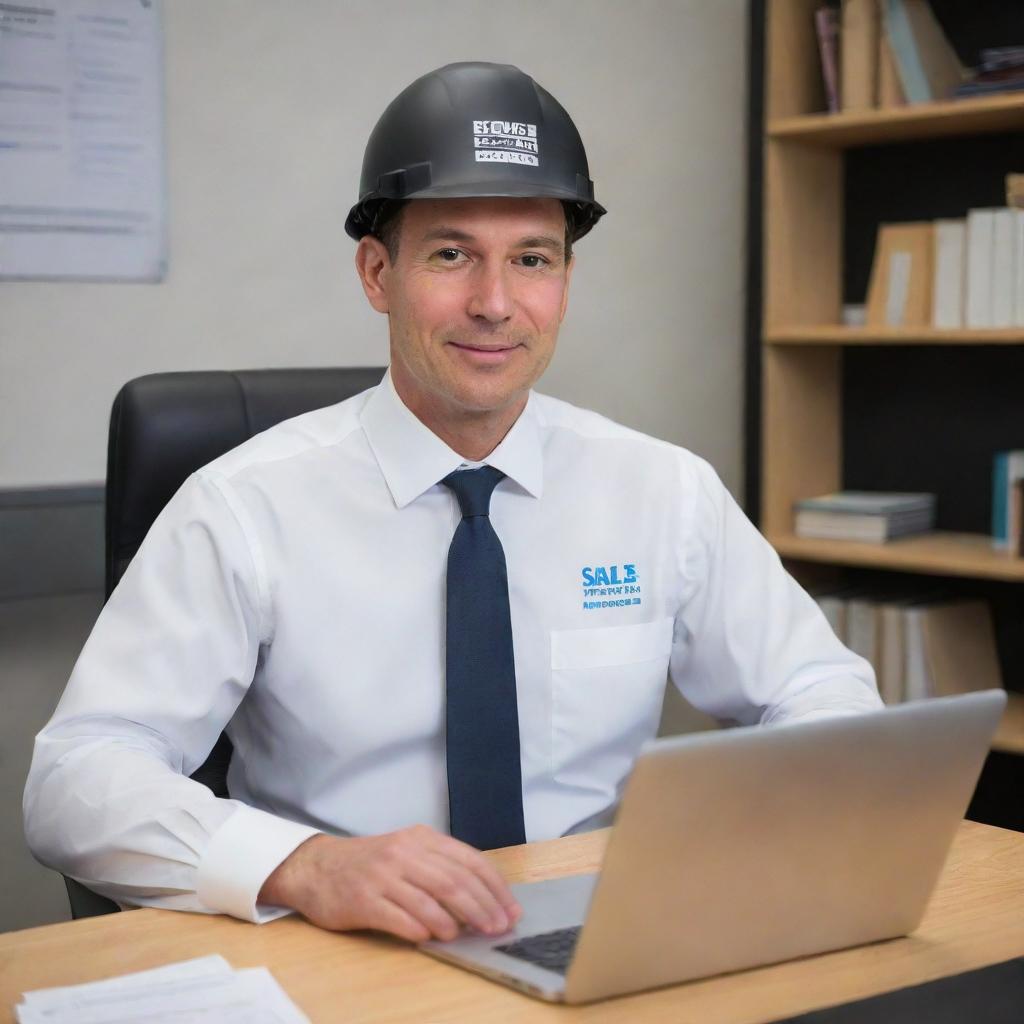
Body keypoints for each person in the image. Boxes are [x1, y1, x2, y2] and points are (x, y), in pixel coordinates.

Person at [24, 62, 881, 945]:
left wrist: (764, 820)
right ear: (376, 273)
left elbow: (819, 689)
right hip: (341, 941)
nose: (495, 303)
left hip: (596, 937)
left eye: (532, 260)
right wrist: (307, 865)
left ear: (565, 281)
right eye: (451, 254)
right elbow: (75, 780)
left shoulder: (662, 489)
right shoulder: (244, 505)